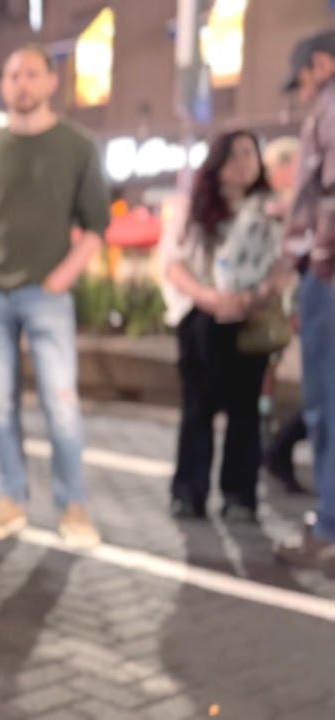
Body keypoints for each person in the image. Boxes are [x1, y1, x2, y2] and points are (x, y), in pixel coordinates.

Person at [0, 44, 110, 549]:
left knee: (61, 404)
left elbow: (95, 227)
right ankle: (11, 499)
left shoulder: (78, 146)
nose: (22, 83)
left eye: (31, 74)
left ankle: (74, 507)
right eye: (12, 74)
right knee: (1, 406)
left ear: (50, 83)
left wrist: (61, 279)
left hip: (46, 296)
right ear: (4, 85)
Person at [164, 130, 287, 522]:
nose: (244, 162)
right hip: (201, 317)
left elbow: (285, 264)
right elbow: (172, 263)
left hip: (251, 319)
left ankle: (240, 496)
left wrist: (256, 296)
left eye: (251, 153)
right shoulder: (195, 208)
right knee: (197, 409)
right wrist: (209, 297)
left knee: (246, 411)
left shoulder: (271, 210)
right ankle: (189, 491)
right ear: (216, 164)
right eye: (235, 155)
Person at [275, 29, 335, 574]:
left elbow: (321, 192)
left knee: (327, 406)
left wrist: (303, 257)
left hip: (330, 272)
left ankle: (331, 529)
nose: (302, 93)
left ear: (320, 63)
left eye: (302, 82)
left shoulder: (329, 107)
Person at [258, 135, 309, 495]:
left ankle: (275, 445)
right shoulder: (272, 209)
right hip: (282, 308)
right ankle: (271, 443)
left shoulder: (295, 205)